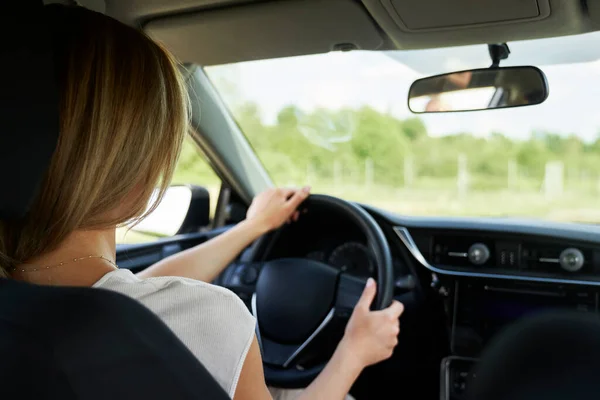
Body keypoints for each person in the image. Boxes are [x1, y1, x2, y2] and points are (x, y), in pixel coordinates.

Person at [2, 4, 405, 400]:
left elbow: (135, 293)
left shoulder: (27, 304)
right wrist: (354, 352)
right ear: (133, 169)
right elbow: (144, 301)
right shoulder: (211, 318)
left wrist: (253, 227)